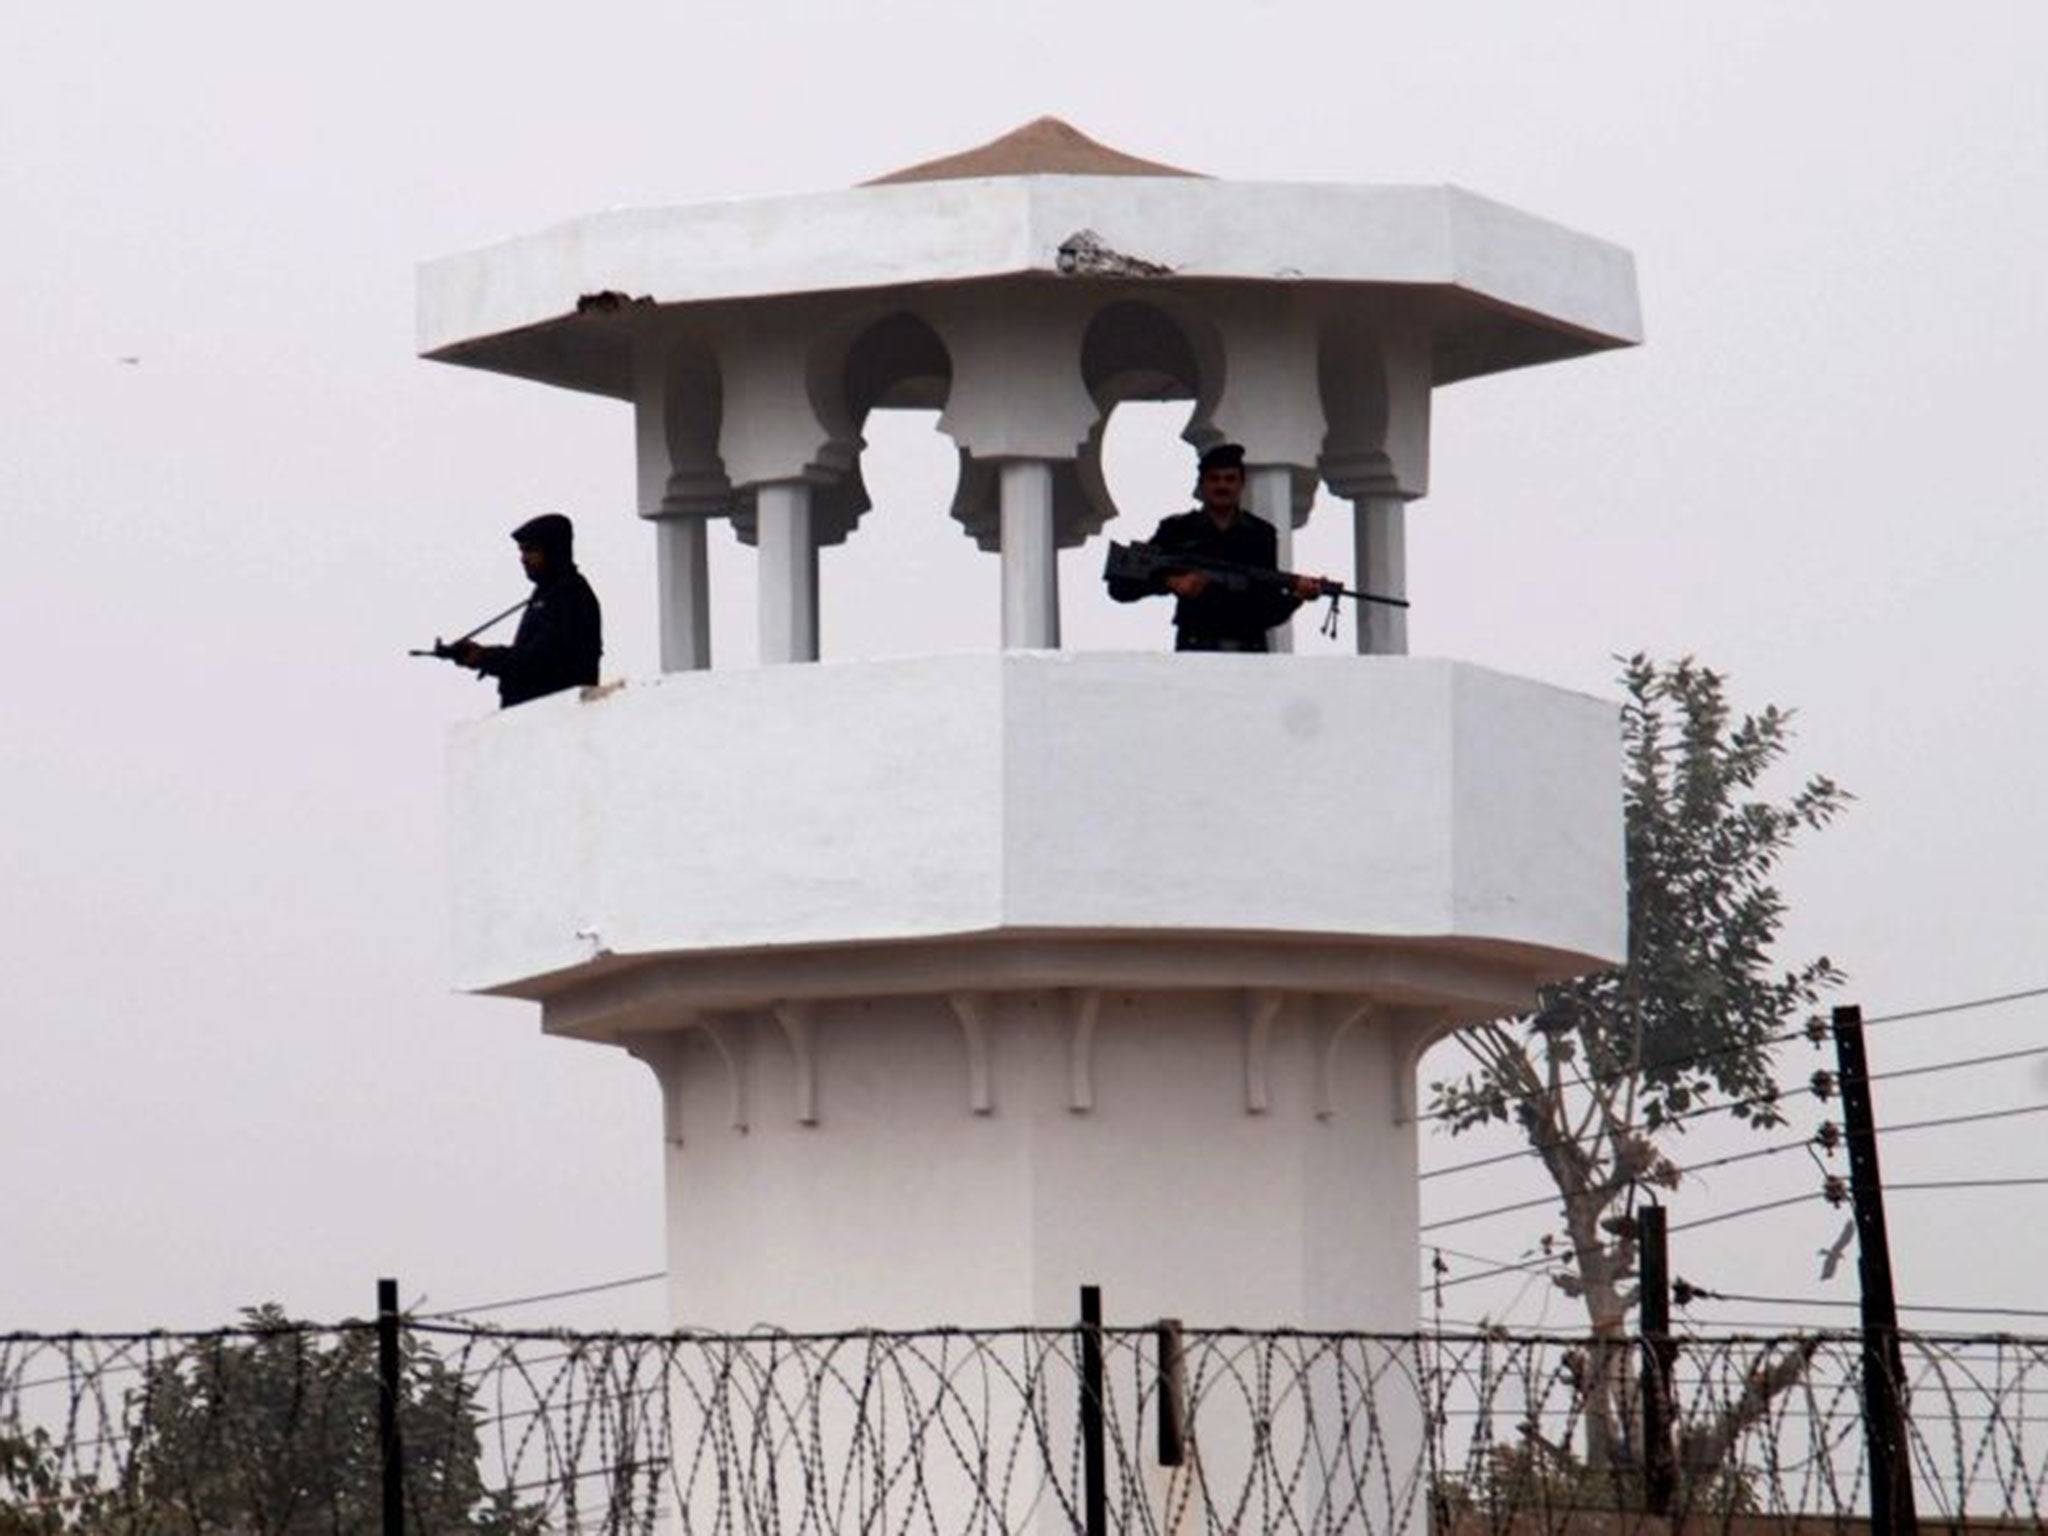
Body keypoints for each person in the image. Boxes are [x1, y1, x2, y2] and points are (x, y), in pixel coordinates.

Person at [1105, 443, 1328, 651]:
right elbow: (1120, 588)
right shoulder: (1177, 530)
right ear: (1201, 485)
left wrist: (1297, 595)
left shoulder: (1261, 534)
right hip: (1196, 649)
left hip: (1250, 652)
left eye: (1230, 479)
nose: (1222, 486)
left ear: (1241, 484)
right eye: (1215, 479)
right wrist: (1170, 582)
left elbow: (1268, 610)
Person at [453, 513, 603, 707]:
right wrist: (482, 656)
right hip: (539, 717)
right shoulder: (546, 594)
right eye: (522, 552)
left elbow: (540, 660)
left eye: (531, 551)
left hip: (557, 718)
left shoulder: (570, 596)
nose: (523, 559)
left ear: (554, 551)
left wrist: (486, 657)